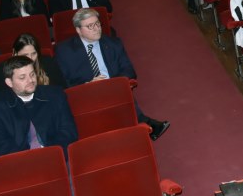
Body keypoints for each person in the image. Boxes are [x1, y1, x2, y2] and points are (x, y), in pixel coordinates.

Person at [54, 8, 169, 140]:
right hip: (85, 92)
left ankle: (137, 130)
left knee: (118, 90)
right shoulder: (64, 50)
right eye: (90, 26)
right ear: (78, 30)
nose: (96, 28)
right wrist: (88, 85)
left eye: (97, 24)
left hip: (112, 86)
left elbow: (129, 70)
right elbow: (63, 82)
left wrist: (113, 83)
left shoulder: (113, 43)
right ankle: (145, 124)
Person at [0, 55, 78, 156]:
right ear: (9, 82)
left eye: (32, 74)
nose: (30, 80)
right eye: (22, 77)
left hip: (57, 156)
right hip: (19, 164)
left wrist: (49, 154)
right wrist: (30, 160)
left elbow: (69, 132)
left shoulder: (55, 95)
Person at [0, 33, 67, 93]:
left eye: (34, 54)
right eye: (25, 55)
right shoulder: (4, 68)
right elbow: (3, 97)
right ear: (15, 54)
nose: (30, 59)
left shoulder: (48, 62)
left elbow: (61, 89)